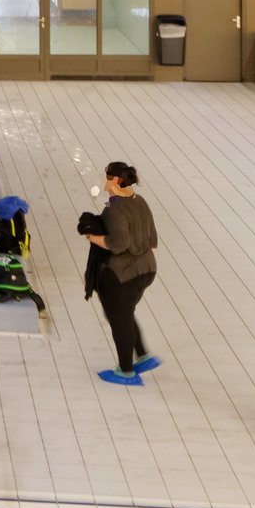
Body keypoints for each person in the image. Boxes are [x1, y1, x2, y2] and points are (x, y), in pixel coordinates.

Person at [82, 161, 160, 386]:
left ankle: (126, 372)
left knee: (119, 320)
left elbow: (118, 243)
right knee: (124, 314)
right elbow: (152, 240)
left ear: (115, 180)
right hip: (147, 270)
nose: (103, 182)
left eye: (106, 178)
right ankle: (142, 355)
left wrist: (93, 237)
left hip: (121, 275)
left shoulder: (114, 210)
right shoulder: (140, 201)